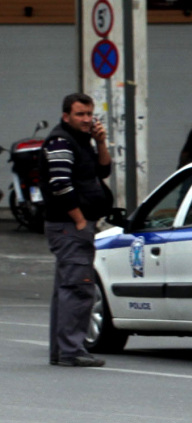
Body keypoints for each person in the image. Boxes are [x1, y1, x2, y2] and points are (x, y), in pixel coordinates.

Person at [41, 93, 113, 368]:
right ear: (66, 116)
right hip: (69, 226)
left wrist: (101, 141)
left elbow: (102, 171)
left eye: (89, 114)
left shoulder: (83, 141)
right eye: (80, 114)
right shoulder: (61, 141)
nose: (86, 119)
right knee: (79, 288)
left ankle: (63, 350)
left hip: (72, 226)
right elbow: (60, 184)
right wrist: (81, 221)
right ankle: (72, 350)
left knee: (67, 289)